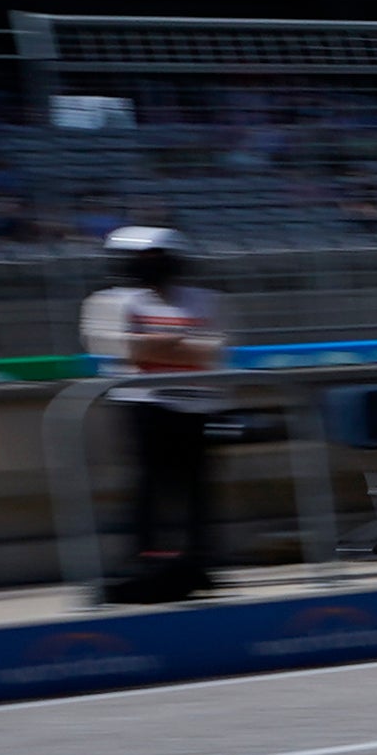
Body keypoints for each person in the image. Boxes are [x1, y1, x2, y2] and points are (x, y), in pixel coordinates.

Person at [80, 226, 226, 604]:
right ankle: (145, 559)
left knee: (197, 489)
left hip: (197, 405)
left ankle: (198, 561)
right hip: (142, 405)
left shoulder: (205, 300)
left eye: (158, 257)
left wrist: (152, 346)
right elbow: (115, 347)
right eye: (143, 258)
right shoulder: (108, 302)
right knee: (147, 487)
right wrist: (178, 346)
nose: (152, 265)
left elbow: (214, 349)